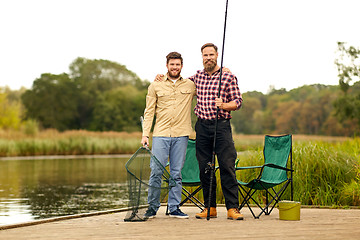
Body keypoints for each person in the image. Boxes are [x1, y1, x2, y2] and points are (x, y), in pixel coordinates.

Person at [190, 43, 243, 220]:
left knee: (227, 166)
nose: (208, 58)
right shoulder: (197, 76)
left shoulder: (228, 77)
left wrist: (224, 105)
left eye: (211, 54)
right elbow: (180, 85)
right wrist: (163, 76)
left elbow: (237, 102)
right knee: (205, 168)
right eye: (205, 55)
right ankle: (210, 207)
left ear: (217, 55)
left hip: (221, 126)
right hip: (202, 126)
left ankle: (232, 208)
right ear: (202, 57)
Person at [141, 51, 196, 219]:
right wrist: (145, 135)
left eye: (177, 64)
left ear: (181, 66)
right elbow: (149, 112)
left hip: (181, 135)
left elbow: (209, 83)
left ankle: (174, 208)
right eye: (172, 64)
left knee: (176, 173)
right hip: (161, 134)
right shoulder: (155, 85)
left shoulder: (190, 85)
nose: (175, 67)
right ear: (167, 66)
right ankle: (152, 207)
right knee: (156, 171)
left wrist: (226, 70)